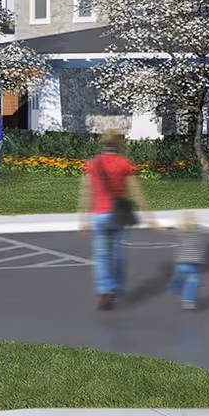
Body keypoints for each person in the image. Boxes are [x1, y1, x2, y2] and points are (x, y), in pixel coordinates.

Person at [78, 131, 150, 311]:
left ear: (103, 143)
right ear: (118, 144)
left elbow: (86, 191)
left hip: (99, 214)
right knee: (118, 254)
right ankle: (115, 288)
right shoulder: (124, 163)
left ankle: (104, 290)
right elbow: (136, 191)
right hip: (118, 215)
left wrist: (83, 217)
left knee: (101, 255)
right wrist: (149, 216)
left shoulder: (93, 163)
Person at [168, 210, 209, 310]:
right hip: (194, 261)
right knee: (192, 280)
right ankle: (188, 301)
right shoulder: (200, 229)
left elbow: (166, 231)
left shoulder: (179, 230)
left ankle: (176, 289)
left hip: (183, 261)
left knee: (181, 277)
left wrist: (156, 227)